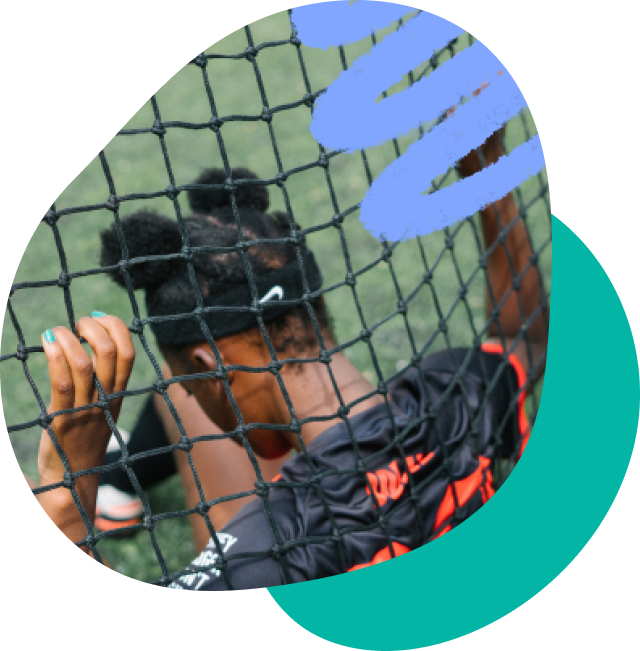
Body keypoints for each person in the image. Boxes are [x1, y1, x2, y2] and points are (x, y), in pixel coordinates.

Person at [34, 120, 548, 588]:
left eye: (194, 380)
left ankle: (108, 479)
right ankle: (121, 475)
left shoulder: (257, 559)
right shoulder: (455, 393)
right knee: (184, 399)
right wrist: (487, 174)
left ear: (209, 370)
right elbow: (524, 338)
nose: (195, 389)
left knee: (179, 402)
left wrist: (64, 492)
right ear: (317, 305)